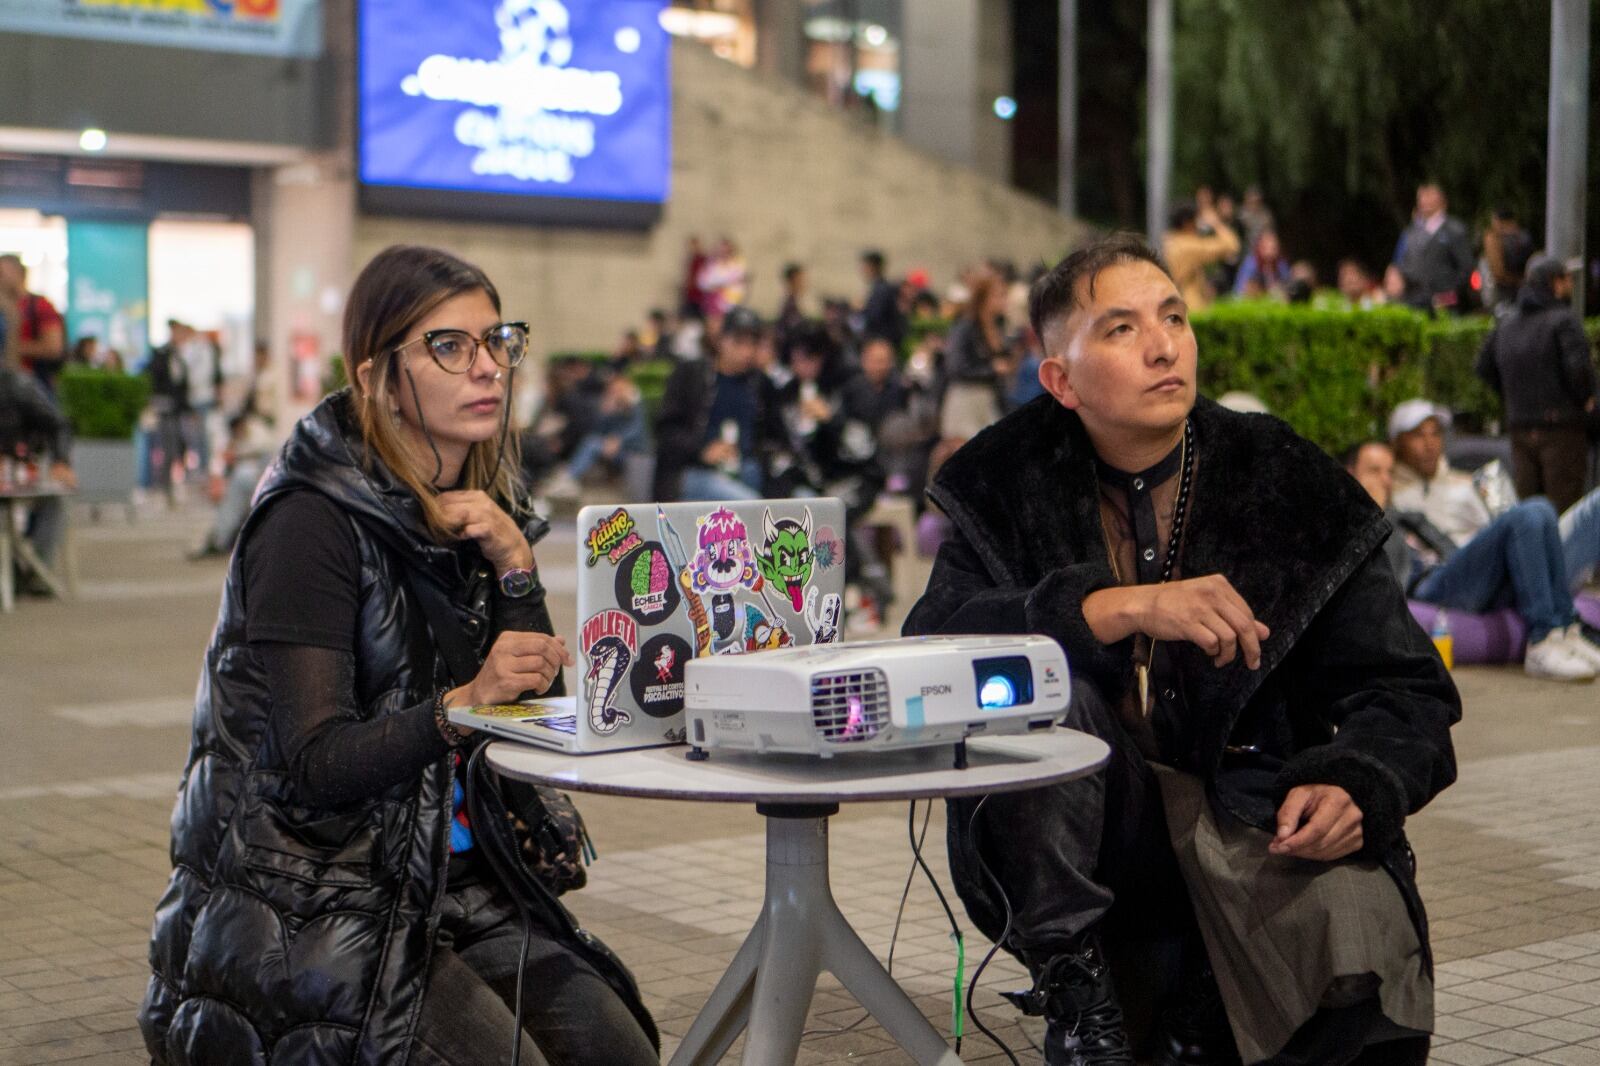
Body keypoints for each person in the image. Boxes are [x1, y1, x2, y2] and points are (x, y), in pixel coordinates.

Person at [905, 234, 1457, 1065]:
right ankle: (1077, 988)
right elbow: (934, 647)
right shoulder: (1004, 483)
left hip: (1252, 815)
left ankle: (1206, 1000)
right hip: (1096, 836)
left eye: (1174, 316)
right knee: (1046, 697)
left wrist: (1359, 781)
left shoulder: (1281, 477)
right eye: (1122, 329)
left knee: (1365, 991)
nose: (1166, 345)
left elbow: (1408, 687)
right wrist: (1110, 608)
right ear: (1060, 378)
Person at [138, 245, 659, 1066]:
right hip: (315, 901)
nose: (487, 367)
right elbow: (313, 764)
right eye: (450, 346)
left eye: (498, 341)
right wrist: (459, 707)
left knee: (619, 1051)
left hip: (452, 884)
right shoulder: (308, 525)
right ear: (378, 374)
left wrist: (517, 565)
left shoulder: (478, 514)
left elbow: (538, 711)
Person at [1348, 437, 1600, 681]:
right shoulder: (1357, 524)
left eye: (1389, 472)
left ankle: (1564, 629)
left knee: (1542, 509)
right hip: (1427, 588)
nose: (1385, 480)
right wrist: (1372, 512)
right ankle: (1542, 639)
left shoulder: (1407, 515)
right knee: (1526, 515)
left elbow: (1450, 550)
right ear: (1349, 474)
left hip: (1454, 575)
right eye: (1374, 471)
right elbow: (1383, 575)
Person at [1475, 255, 1596, 513]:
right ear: (1555, 282)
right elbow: (1578, 371)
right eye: (1566, 279)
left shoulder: (1506, 322)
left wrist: (1511, 397)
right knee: (1565, 511)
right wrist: (1585, 400)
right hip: (1562, 428)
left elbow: (1483, 367)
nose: (1570, 286)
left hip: (1520, 426)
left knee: (1531, 511)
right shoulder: (1564, 320)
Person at [653, 304, 785, 501]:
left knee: (779, 497)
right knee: (751, 506)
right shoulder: (691, 374)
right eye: (739, 342)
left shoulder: (760, 384)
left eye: (752, 344)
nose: (747, 352)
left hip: (744, 469)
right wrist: (702, 450)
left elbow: (772, 436)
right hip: (694, 471)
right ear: (722, 340)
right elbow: (666, 432)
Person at [0, 360, 75, 583]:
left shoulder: (18, 386)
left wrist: (60, 461)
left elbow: (58, 425)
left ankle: (37, 573)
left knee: (55, 502)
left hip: (25, 466)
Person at [939, 272, 1008, 440]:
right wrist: (991, 369)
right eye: (998, 295)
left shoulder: (996, 326)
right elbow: (956, 367)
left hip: (988, 398)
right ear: (984, 298)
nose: (1003, 300)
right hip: (966, 398)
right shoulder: (965, 328)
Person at [1385, 183, 1473, 313]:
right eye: (1421, 196)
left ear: (1442, 200)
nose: (1424, 200)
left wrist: (1448, 298)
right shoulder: (1410, 234)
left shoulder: (1454, 230)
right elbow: (1399, 265)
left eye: (1429, 195)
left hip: (1447, 304)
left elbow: (1466, 269)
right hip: (1415, 302)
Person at [0, 254, 65, 392]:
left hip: (33, 385)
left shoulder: (40, 305)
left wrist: (10, 349)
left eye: (2, 273)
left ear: (18, 273)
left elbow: (53, 348)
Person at [1162, 199, 1240, 312]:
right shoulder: (1189, 246)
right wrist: (1215, 222)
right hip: (1191, 309)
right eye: (1197, 219)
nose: (1199, 224)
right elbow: (1232, 245)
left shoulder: (1169, 240)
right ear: (1187, 222)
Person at [1481, 207, 1534, 309]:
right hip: (1526, 287)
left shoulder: (1494, 239)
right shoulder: (1525, 237)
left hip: (1504, 292)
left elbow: (1497, 271)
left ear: (1497, 220)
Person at [860, 249, 906, 351]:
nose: (862, 270)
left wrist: (860, 310)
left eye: (865, 266)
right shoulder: (880, 287)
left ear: (874, 267)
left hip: (881, 342)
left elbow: (874, 316)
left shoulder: (882, 290)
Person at [1231, 230, 1291, 298]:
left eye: (1273, 248)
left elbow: (1288, 284)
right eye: (1266, 247)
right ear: (1259, 247)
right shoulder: (1251, 263)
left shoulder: (1281, 263)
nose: (1270, 252)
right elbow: (1239, 290)